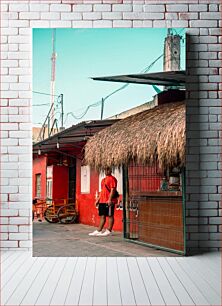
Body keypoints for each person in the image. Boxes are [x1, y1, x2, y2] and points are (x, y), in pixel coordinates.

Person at [89, 167, 118, 236]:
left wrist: (110, 199)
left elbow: (112, 190)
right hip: (102, 201)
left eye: (108, 169)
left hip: (109, 201)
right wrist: (98, 199)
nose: (106, 171)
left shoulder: (112, 179)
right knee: (102, 216)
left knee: (110, 215)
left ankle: (109, 230)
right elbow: (102, 191)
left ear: (111, 170)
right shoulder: (103, 180)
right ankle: (99, 230)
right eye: (105, 170)